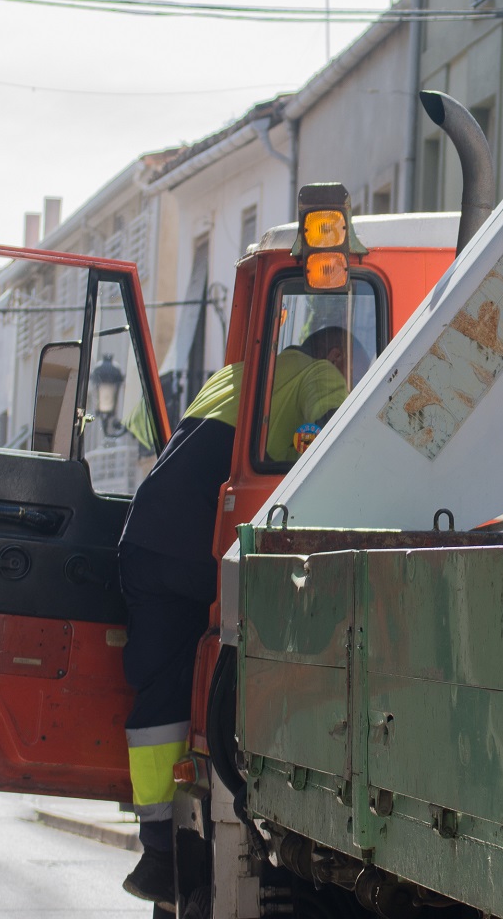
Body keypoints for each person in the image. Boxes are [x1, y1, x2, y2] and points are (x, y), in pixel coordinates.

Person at [117, 326, 352, 905]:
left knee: (160, 683)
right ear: (337, 354)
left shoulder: (234, 375)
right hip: (193, 545)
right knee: (249, 660)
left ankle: (157, 848)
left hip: (141, 539)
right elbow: (340, 435)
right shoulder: (320, 373)